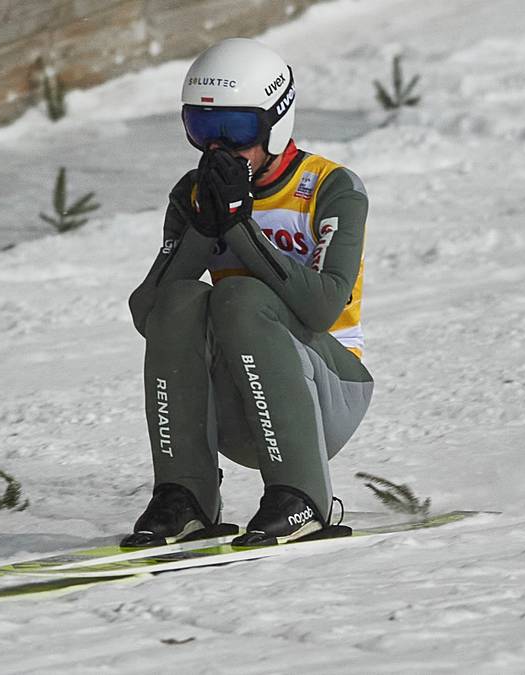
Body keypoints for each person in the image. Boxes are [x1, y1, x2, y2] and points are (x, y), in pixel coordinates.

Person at [124, 37, 373, 547]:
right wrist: (202, 226)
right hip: (239, 402)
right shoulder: (193, 193)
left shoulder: (332, 187)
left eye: (235, 130)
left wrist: (239, 227)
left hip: (326, 393)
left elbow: (323, 307)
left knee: (241, 297)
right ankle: (185, 496)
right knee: (181, 300)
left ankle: (304, 496)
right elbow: (149, 313)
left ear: (275, 124)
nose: (218, 149)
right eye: (201, 129)